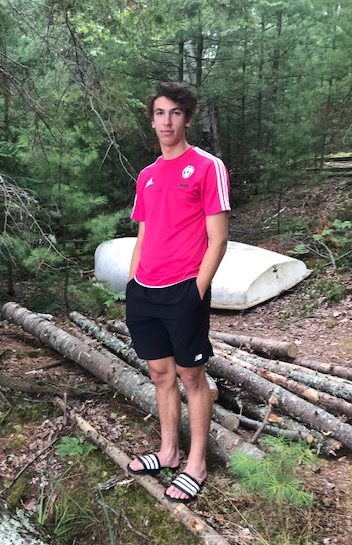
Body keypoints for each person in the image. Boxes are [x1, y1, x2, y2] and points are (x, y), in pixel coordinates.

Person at [125, 81, 230, 503]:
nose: (166, 121)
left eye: (174, 113)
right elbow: (143, 233)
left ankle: (196, 463)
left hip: (184, 289)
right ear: (152, 119)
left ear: (187, 118)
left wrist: (196, 290)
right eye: (159, 113)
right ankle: (168, 452)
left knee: (191, 375)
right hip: (145, 292)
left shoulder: (207, 166)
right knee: (160, 375)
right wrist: (134, 283)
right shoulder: (147, 175)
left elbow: (218, 238)